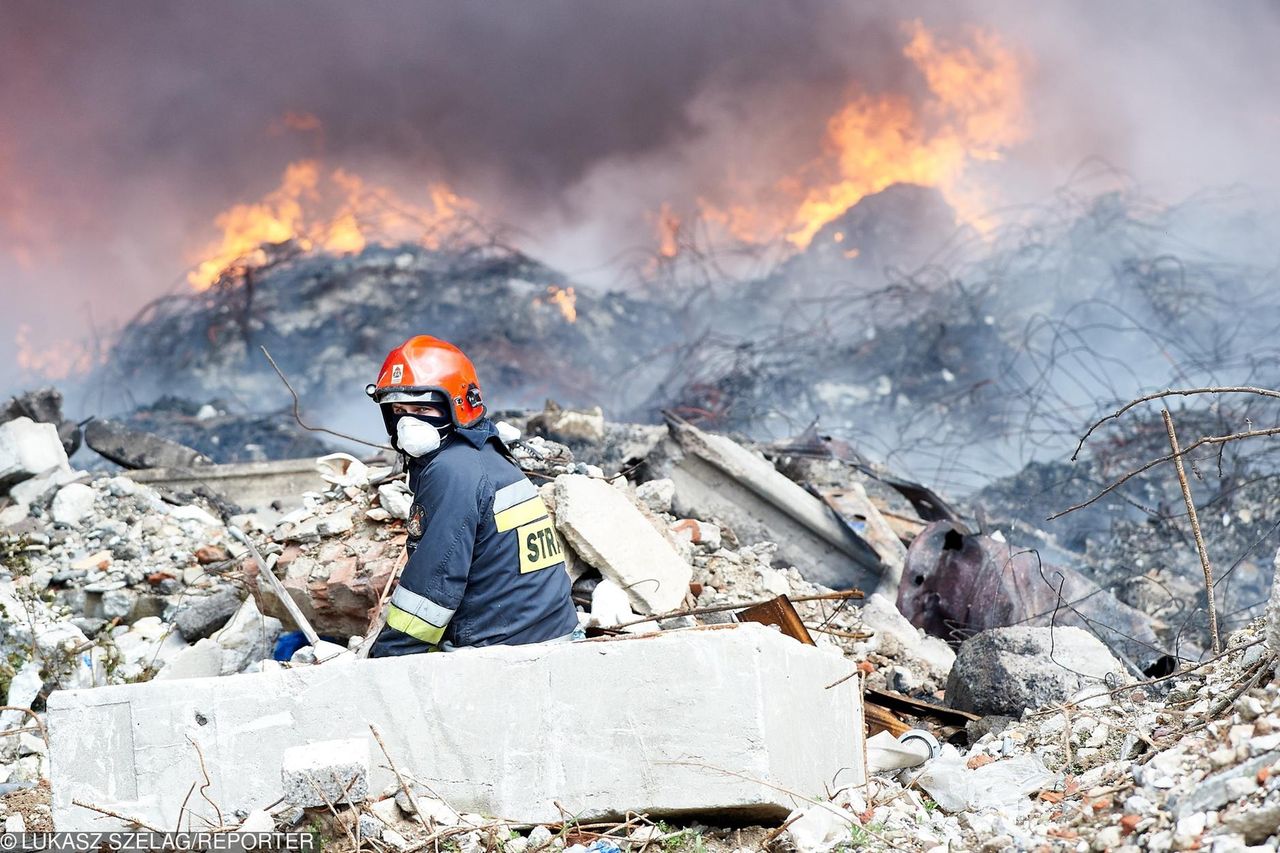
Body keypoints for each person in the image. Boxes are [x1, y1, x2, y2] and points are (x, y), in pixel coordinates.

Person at [364, 335, 579, 656]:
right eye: (397, 409)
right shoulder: (484, 453)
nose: (408, 422)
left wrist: (387, 658)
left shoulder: (452, 470)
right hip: (546, 631)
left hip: (507, 652)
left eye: (423, 407)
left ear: (459, 405)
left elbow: (433, 588)